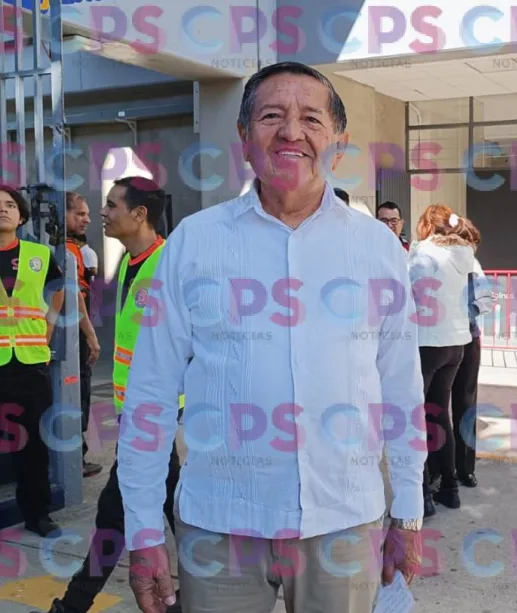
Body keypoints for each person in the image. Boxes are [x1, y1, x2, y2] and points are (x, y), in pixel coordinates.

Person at [116, 62, 426, 613]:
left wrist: (407, 509)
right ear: (244, 137)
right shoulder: (196, 243)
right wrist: (142, 531)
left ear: (338, 140)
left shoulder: (376, 247)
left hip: (343, 517)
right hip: (220, 521)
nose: (291, 132)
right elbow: (151, 395)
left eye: (311, 118)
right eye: (271, 116)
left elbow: (402, 391)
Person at [40, 177, 184, 613]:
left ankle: (73, 605)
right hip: (137, 417)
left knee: (120, 518)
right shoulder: (130, 263)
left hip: (163, 421)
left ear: (139, 214)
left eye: (111, 204)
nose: (103, 212)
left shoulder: (168, 264)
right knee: (152, 518)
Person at [0, 185, 66, 536]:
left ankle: (37, 513)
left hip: (28, 364)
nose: (3, 210)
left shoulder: (38, 254)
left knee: (32, 444)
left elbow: (57, 291)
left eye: (10, 205)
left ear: (22, 215)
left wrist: (48, 330)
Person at [408, 204, 475, 517]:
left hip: (427, 343)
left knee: (415, 419)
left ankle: (422, 494)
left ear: (426, 225)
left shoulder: (423, 253)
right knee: (439, 415)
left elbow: (408, 293)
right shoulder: (463, 254)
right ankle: (449, 487)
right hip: (456, 344)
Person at [449, 218, 492, 489]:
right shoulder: (457, 263)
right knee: (452, 405)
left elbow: (483, 302)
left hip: (457, 338)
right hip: (453, 339)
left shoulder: (470, 266)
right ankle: (454, 469)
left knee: (455, 405)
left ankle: (457, 469)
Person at [65, 192, 102, 478]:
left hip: (69, 332)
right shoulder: (68, 251)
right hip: (73, 335)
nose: (87, 219)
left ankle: (75, 454)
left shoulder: (77, 249)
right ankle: (74, 458)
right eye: (79, 214)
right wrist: (91, 335)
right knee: (77, 394)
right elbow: (75, 295)